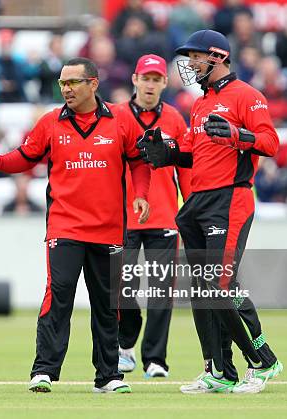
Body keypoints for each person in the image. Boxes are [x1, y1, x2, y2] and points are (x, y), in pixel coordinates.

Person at [0, 57, 151, 394]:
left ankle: (108, 376)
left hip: (109, 229)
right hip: (65, 227)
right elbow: (25, 156)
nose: (66, 89)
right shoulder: (50, 122)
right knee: (59, 296)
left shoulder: (121, 120)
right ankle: (44, 371)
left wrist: (140, 195)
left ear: (93, 84)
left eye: (73, 83)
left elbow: (140, 162)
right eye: (62, 83)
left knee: (107, 304)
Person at [137, 29, 283, 394]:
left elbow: (270, 143)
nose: (189, 64)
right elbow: (190, 151)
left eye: (196, 57)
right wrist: (165, 152)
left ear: (217, 57)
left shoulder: (247, 96)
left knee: (218, 285)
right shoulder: (200, 104)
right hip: (198, 203)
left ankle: (263, 362)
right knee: (203, 289)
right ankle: (220, 370)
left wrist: (238, 134)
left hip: (230, 199)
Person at [115, 55, 191, 378]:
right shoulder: (116, 116)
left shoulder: (174, 118)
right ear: (134, 79)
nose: (149, 84)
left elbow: (185, 168)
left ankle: (155, 359)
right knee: (123, 291)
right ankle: (125, 346)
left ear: (164, 83)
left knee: (162, 293)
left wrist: (190, 212)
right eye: (145, 78)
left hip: (164, 218)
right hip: (124, 218)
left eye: (156, 79)